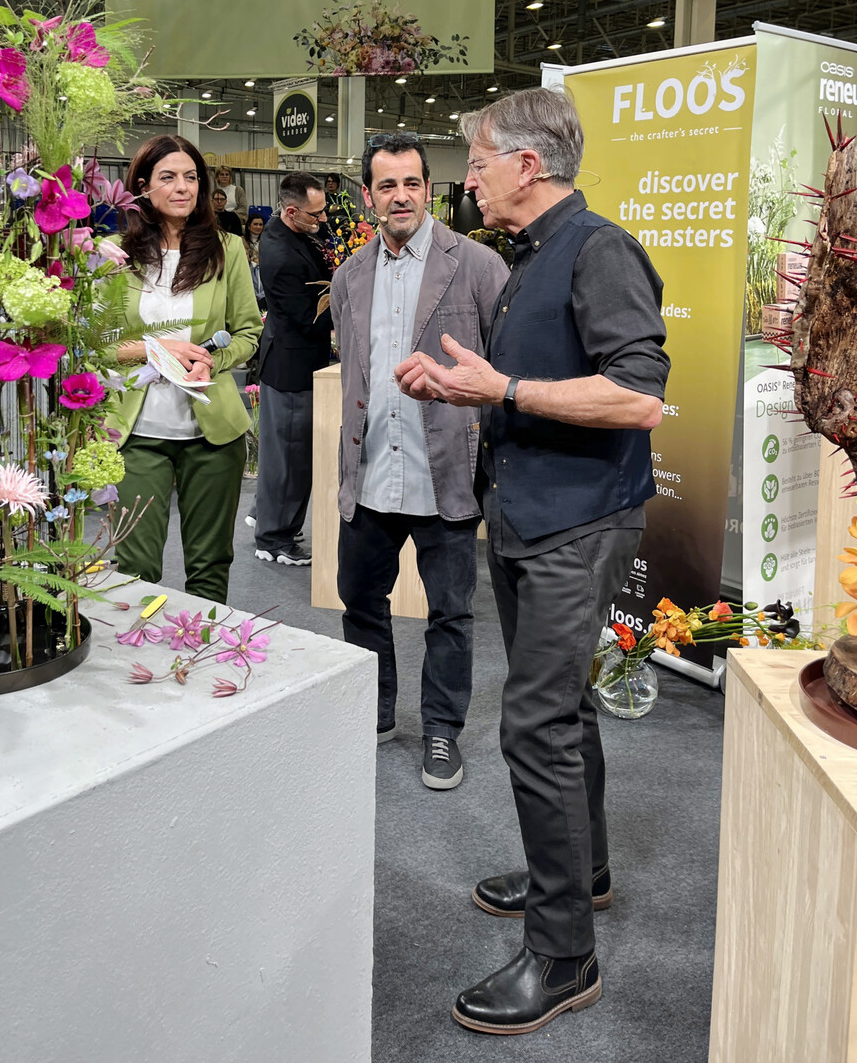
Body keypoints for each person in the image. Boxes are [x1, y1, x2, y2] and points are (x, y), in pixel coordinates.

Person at [396, 87, 669, 1037]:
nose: (464, 178)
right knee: (562, 712)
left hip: (576, 525)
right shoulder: (537, 258)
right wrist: (467, 389)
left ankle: (564, 956)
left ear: (527, 165)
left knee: (535, 725)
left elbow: (639, 398)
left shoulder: (598, 251)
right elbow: (538, 393)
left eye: (476, 160)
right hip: (533, 519)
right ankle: (581, 874)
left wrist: (502, 384)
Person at [331, 133, 507, 789]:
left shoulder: (479, 266)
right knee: (360, 600)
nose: (400, 196)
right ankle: (375, 712)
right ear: (371, 195)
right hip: (372, 472)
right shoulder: (350, 275)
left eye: (411, 183)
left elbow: (503, 372)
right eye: (386, 185)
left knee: (451, 613)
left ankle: (441, 730)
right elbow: (358, 372)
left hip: (446, 475)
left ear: (429, 189)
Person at [108, 135, 263, 604]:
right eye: (168, 177)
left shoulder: (227, 249)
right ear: (141, 186)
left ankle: (202, 659)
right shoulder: (114, 253)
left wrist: (211, 360)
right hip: (137, 434)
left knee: (211, 564)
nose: (183, 187)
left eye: (191, 177)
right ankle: (137, 664)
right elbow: (96, 347)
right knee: (134, 567)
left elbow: (248, 332)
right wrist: (157, 350)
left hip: (212, 433)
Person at [252, 172, 332, 566]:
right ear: (290, 211)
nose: (322, 219)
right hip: (292, 366)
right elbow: (307, 317)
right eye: (315, 214)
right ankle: (274, 537)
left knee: (281, 456)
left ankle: (270, 518)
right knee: (291, 456)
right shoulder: (281, 255)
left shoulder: (287, 233)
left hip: (292, 360)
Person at [243, 212, 266, 308]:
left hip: (262, 273)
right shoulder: (241, 241)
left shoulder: (267, 241)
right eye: (255, 224)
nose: (258, 227)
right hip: (247, 273)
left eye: (260, 224)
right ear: (249, 226)